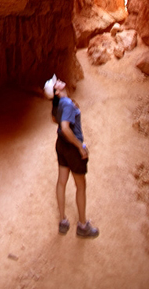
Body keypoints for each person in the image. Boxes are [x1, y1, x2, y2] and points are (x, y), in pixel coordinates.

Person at [43, 75, 99, 238]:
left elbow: (55, 119)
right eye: (56, 83)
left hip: (60, 144)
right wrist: (80, 146)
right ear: (56, 90)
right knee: (81, 186)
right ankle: (82, 226)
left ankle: (63, 221)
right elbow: (65, 128)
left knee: (61, 182)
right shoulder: (66, 104)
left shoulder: (58, 103)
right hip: (71, 148)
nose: (58, 80)